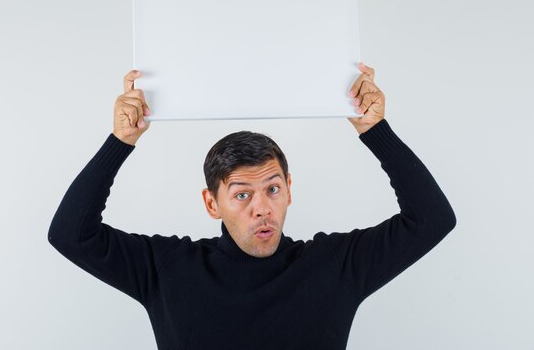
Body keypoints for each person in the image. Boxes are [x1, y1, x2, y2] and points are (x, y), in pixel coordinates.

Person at [48, 63, 456, 349]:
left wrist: (375, 130)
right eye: (242, 194)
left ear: (290, 190)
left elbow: (432, 219)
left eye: (273, 189)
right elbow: (70, 234)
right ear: (212, 203)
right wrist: (120, 142)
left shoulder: (335, 265)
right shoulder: (166, 268)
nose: (262, 208)